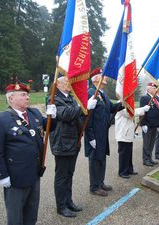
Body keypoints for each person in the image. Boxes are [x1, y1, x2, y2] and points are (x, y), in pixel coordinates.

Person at [0, 82, 56, 225]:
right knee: (16, 216)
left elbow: (50, 127)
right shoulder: (1, 120)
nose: (27, 97)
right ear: (11, 98)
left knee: (31, 212)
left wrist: (53, 115)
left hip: (34, 173)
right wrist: (2, 175)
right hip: (16, 177)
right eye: (23, 95)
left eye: (27, 94)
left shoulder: (34, 113)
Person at [49, 76, 97, 217]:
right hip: (62, 143)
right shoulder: (53, 99)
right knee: (62, 176)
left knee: (69, 175)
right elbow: (66, 114)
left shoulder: (70, 98)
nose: (69, 84)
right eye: (66, 82)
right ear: (57, 84)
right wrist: (84, 106)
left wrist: (85, 112)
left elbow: (78, 117)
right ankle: (61, 206)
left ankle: (68, 201)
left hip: (73, 142)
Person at [84, 74, 122, 197]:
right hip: (94, 133)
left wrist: (122, 102)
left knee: (102, 158)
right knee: (95, 160)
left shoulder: (102, 94)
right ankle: (94, 186)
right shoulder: (90, 93)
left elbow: (112, 108)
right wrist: (90, 137)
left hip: (103, 133)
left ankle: (100, 182)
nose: (105, 78)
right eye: (102, 76)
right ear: (95, 80)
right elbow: (87, 117)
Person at [115, 104, 150, 178]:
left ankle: (129, 169)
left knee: (129, 153)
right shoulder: (120, 105)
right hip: (123, 133)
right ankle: (122, 172)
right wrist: (143, 109)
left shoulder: (126, 103)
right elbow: (129, 113)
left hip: (128, 133)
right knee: (123, 154)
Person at [139, 83, 159, 167]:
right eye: (153, 88)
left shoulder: (155, 99)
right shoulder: (145, 98)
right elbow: (142, 112)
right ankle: (145, 159)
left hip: (155, 124)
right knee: (146, 143)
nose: (155, 90)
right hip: (147, 124)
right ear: (148, 89)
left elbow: (158, 111)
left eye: (155, 88)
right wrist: (143, 124)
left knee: (152, 143)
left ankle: (150, 158)